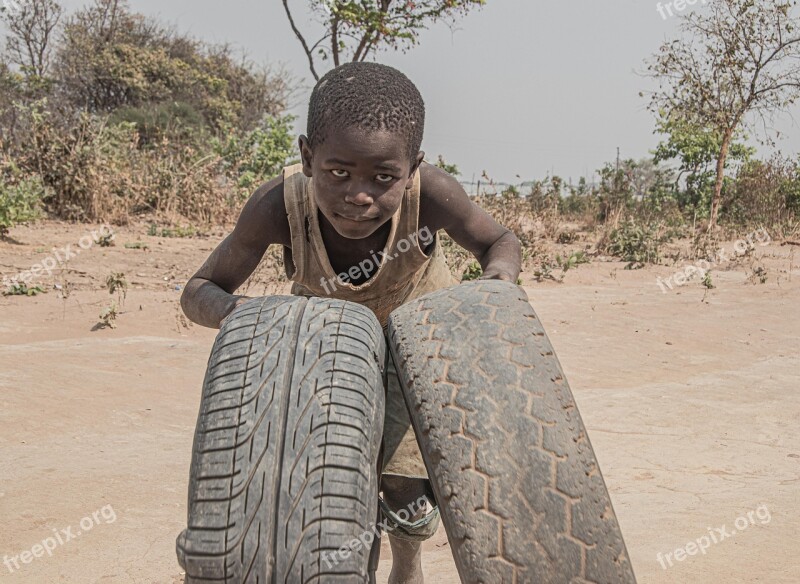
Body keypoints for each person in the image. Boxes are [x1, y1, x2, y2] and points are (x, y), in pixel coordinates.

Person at [181, 61, 521, 584]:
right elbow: (200, 289)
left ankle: (407, 560)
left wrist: (496, 285)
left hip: (417, 338)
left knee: (402, 483)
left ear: (412, 169)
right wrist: (244, 316)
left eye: (383, 178)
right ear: (306, 156)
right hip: (321, 348)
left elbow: (499, 242)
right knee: (327, 483)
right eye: (337, 172)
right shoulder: (279, 205)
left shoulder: (431, 196)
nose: (359, 196)